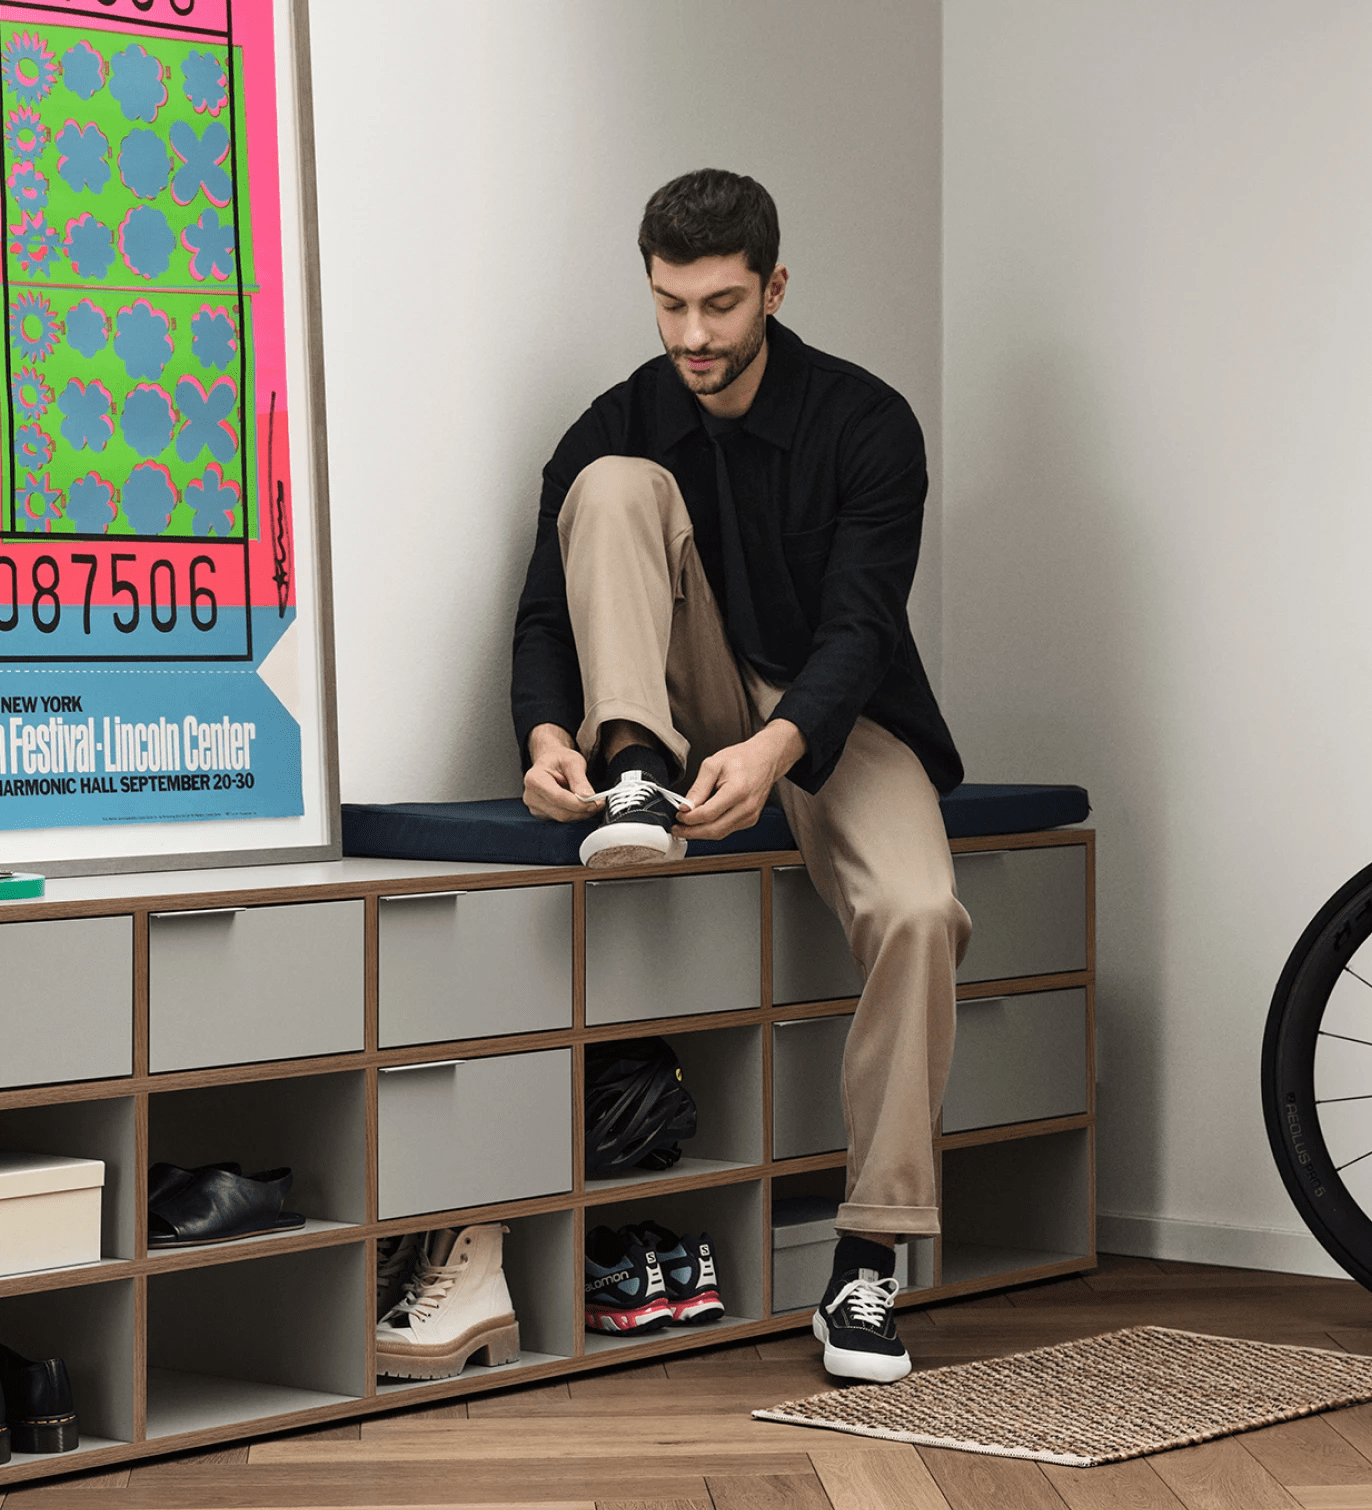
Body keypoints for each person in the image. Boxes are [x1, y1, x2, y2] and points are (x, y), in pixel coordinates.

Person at [511, 169, 971, 1384]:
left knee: (922, 913)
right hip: (672, 708)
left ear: (772, 286)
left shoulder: (866, 423)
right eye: (668, 306)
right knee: (611, 491)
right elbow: (543, 618)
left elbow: (860, 629)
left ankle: (867, 1257)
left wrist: (777, 752)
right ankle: (631, 774)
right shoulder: (611, 422)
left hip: (832, 710)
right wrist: (548, 738)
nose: (693, 337)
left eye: (718, 305)